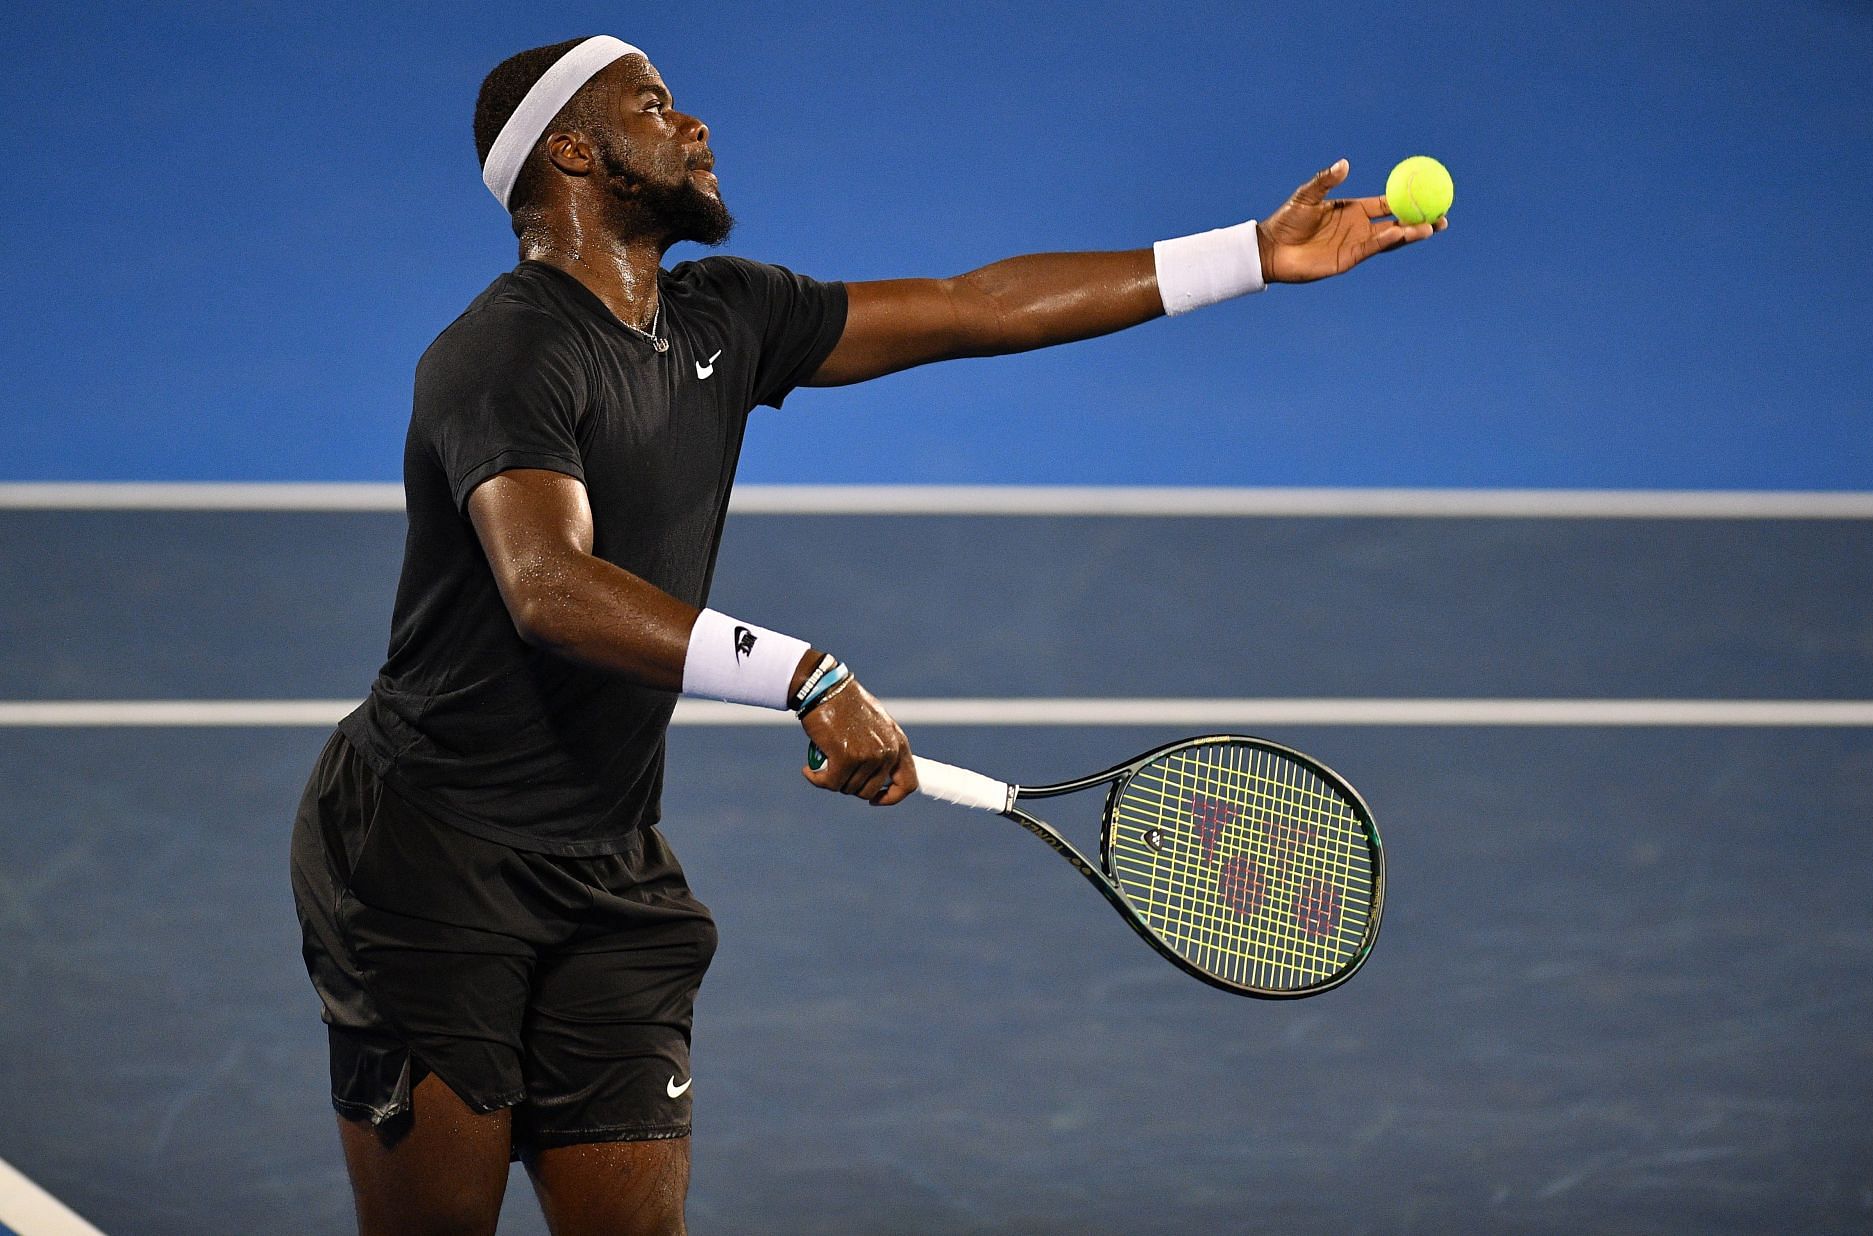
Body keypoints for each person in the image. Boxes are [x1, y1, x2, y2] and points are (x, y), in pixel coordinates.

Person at [290, 33, 1443, 1236]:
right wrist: (805, 675)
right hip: (429, 858)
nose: (693, 126)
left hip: (606, 859)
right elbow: (551, 587)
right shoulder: (505, 350)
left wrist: (1249, 255)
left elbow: (973, 308)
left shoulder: (723, 320)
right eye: (655, 105)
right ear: (575, 152)